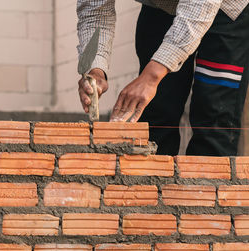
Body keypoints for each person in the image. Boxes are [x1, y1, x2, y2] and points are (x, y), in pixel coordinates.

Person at [77, 0, 249, 156]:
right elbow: (94, 12)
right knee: (156, 114)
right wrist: (96, 68)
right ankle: (154, 188)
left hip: (226, 9)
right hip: (160, 7)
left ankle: (206, 188)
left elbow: (200, 6)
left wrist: (151, 77)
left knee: (215, 116)